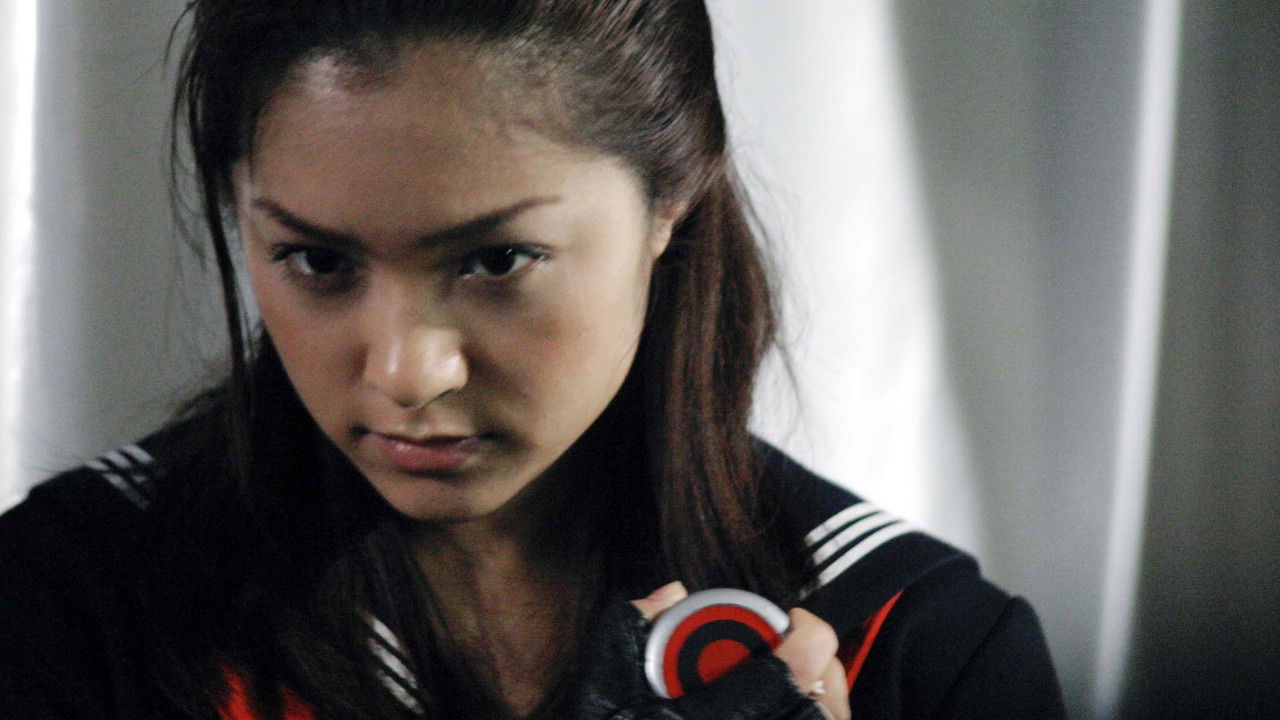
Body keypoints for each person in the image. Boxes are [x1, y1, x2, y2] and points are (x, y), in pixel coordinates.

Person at [0, 1, 1065, 719]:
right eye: (317, 260)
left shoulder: (917, 647)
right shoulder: (73, 600)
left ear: (670, 201)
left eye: (496, 260)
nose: (406, 373)